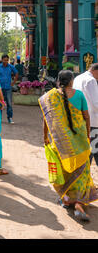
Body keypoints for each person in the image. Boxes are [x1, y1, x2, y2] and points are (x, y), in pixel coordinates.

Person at [39, 70, 98, 222]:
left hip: (60, 143)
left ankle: (66, 199)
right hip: (79, 142)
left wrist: (45, 137)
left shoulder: (51, 97)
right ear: (72, 81)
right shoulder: (79, 95)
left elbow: (47, 120)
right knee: (82, 171)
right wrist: (86, 135)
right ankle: (78, 203)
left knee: (64, 169)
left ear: (59, 81)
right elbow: (86, 116)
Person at [73, 63, 98, 167]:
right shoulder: (91, 81)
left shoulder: (78, 78)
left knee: (87, 150)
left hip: (80, 119)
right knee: (93, 150)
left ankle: (83, 178)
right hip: (92, 121)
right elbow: (96, 103)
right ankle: (84, 178)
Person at [0, 54, 18, 124]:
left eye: (7, 60)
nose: (6, 61)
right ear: (2, 60)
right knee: (0, 103)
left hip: (8, 88)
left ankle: (10, 118)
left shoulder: (10, 67)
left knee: (9, 103)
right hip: (0, 88)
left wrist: (13, 82)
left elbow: (16, 73)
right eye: (4, 60)